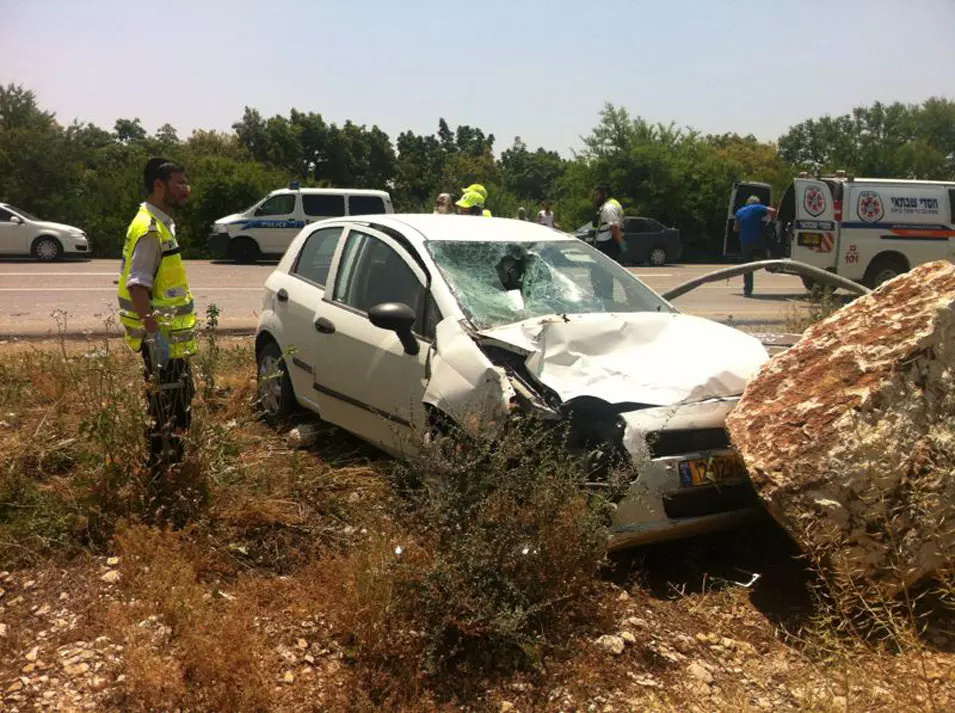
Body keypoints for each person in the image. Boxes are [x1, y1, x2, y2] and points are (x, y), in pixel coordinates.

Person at [117, 157, 198, 487]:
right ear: (159, 185)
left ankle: (167, 470)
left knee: (173, 402)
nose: (185, 188)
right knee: (169, 409)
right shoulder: (150, 228)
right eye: (179, 183)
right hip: (161, 341)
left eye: (185, 182)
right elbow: (138, 286)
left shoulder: (158, 223)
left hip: (169, 339)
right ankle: (162, 475)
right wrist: (155, 338)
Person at [734, 195, 777, 297]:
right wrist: (771, 221)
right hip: (758, 240)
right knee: (771, 244)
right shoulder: (757, 207)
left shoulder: (739, 211)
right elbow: (773, 211)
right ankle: (771, 263)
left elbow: (735, 228)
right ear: (757, 203)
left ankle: (747, 291)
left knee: (747, 267)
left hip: (744, 242)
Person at [593, 184, 626, 262]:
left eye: (598, 194)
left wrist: (622, 245)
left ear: (605, 194)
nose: (596, 197)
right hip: (606, 242)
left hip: (607, 244)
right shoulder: (608, 204)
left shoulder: (609, 207)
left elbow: (614, 227)